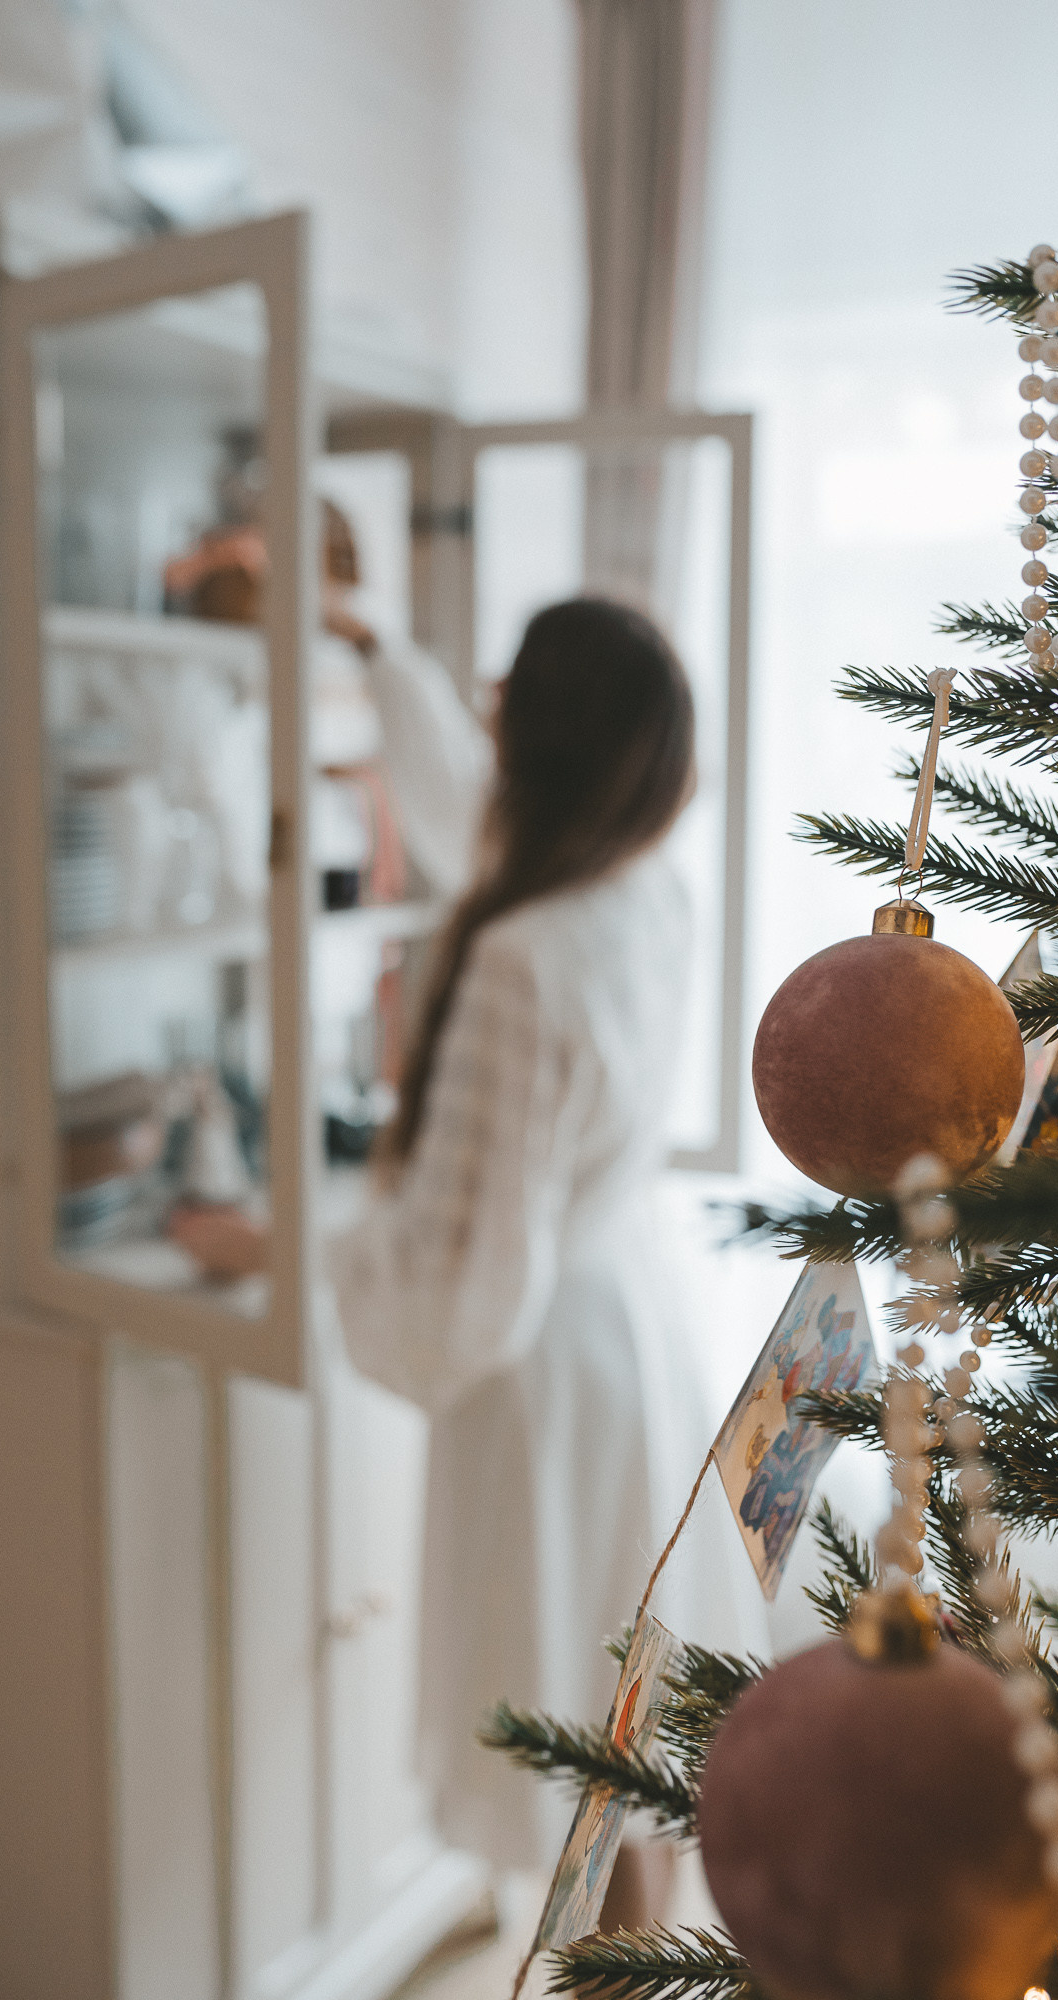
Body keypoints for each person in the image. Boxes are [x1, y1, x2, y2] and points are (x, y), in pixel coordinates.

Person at [326, 589, 766, 1928]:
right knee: (631, 1718)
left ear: (532, 739)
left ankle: (613, 1970)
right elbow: (477, 819)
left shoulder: (515, 954)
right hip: (635, 1321)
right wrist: (370, 643)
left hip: (543, 1374)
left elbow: (467, 1282)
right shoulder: (646, 895)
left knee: (585, 1737)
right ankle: (638, 1961)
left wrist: (330, 1260)